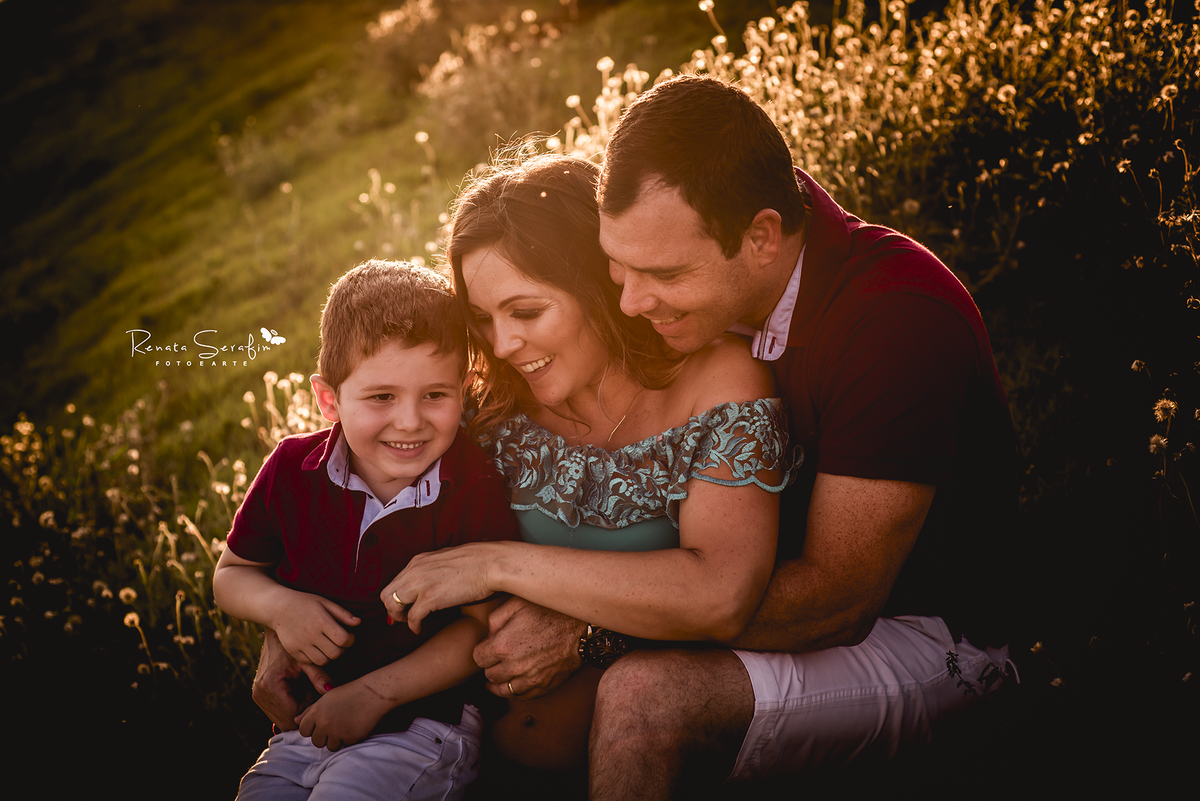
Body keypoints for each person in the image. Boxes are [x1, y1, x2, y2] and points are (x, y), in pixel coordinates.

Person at [453, 74, 1019, 798]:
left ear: (761, 236)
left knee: (643, 700)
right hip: (757, 602)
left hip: (921, 634)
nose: (629, 301)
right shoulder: (714, 275)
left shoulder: (895, 325)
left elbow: (837, 601)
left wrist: (590, 632)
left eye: (662, 273)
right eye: (617, 268)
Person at [212, 261, 520, 800]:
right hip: (305, 726)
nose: (409, 421)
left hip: (421, 727)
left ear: (464, 390)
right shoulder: (291, 469)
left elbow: (478, 628)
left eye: (435, 395)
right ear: (329, 399)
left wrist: (376, 694)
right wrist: (281, 609)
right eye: (381, 397)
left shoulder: (473, 483)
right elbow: (232, 575)